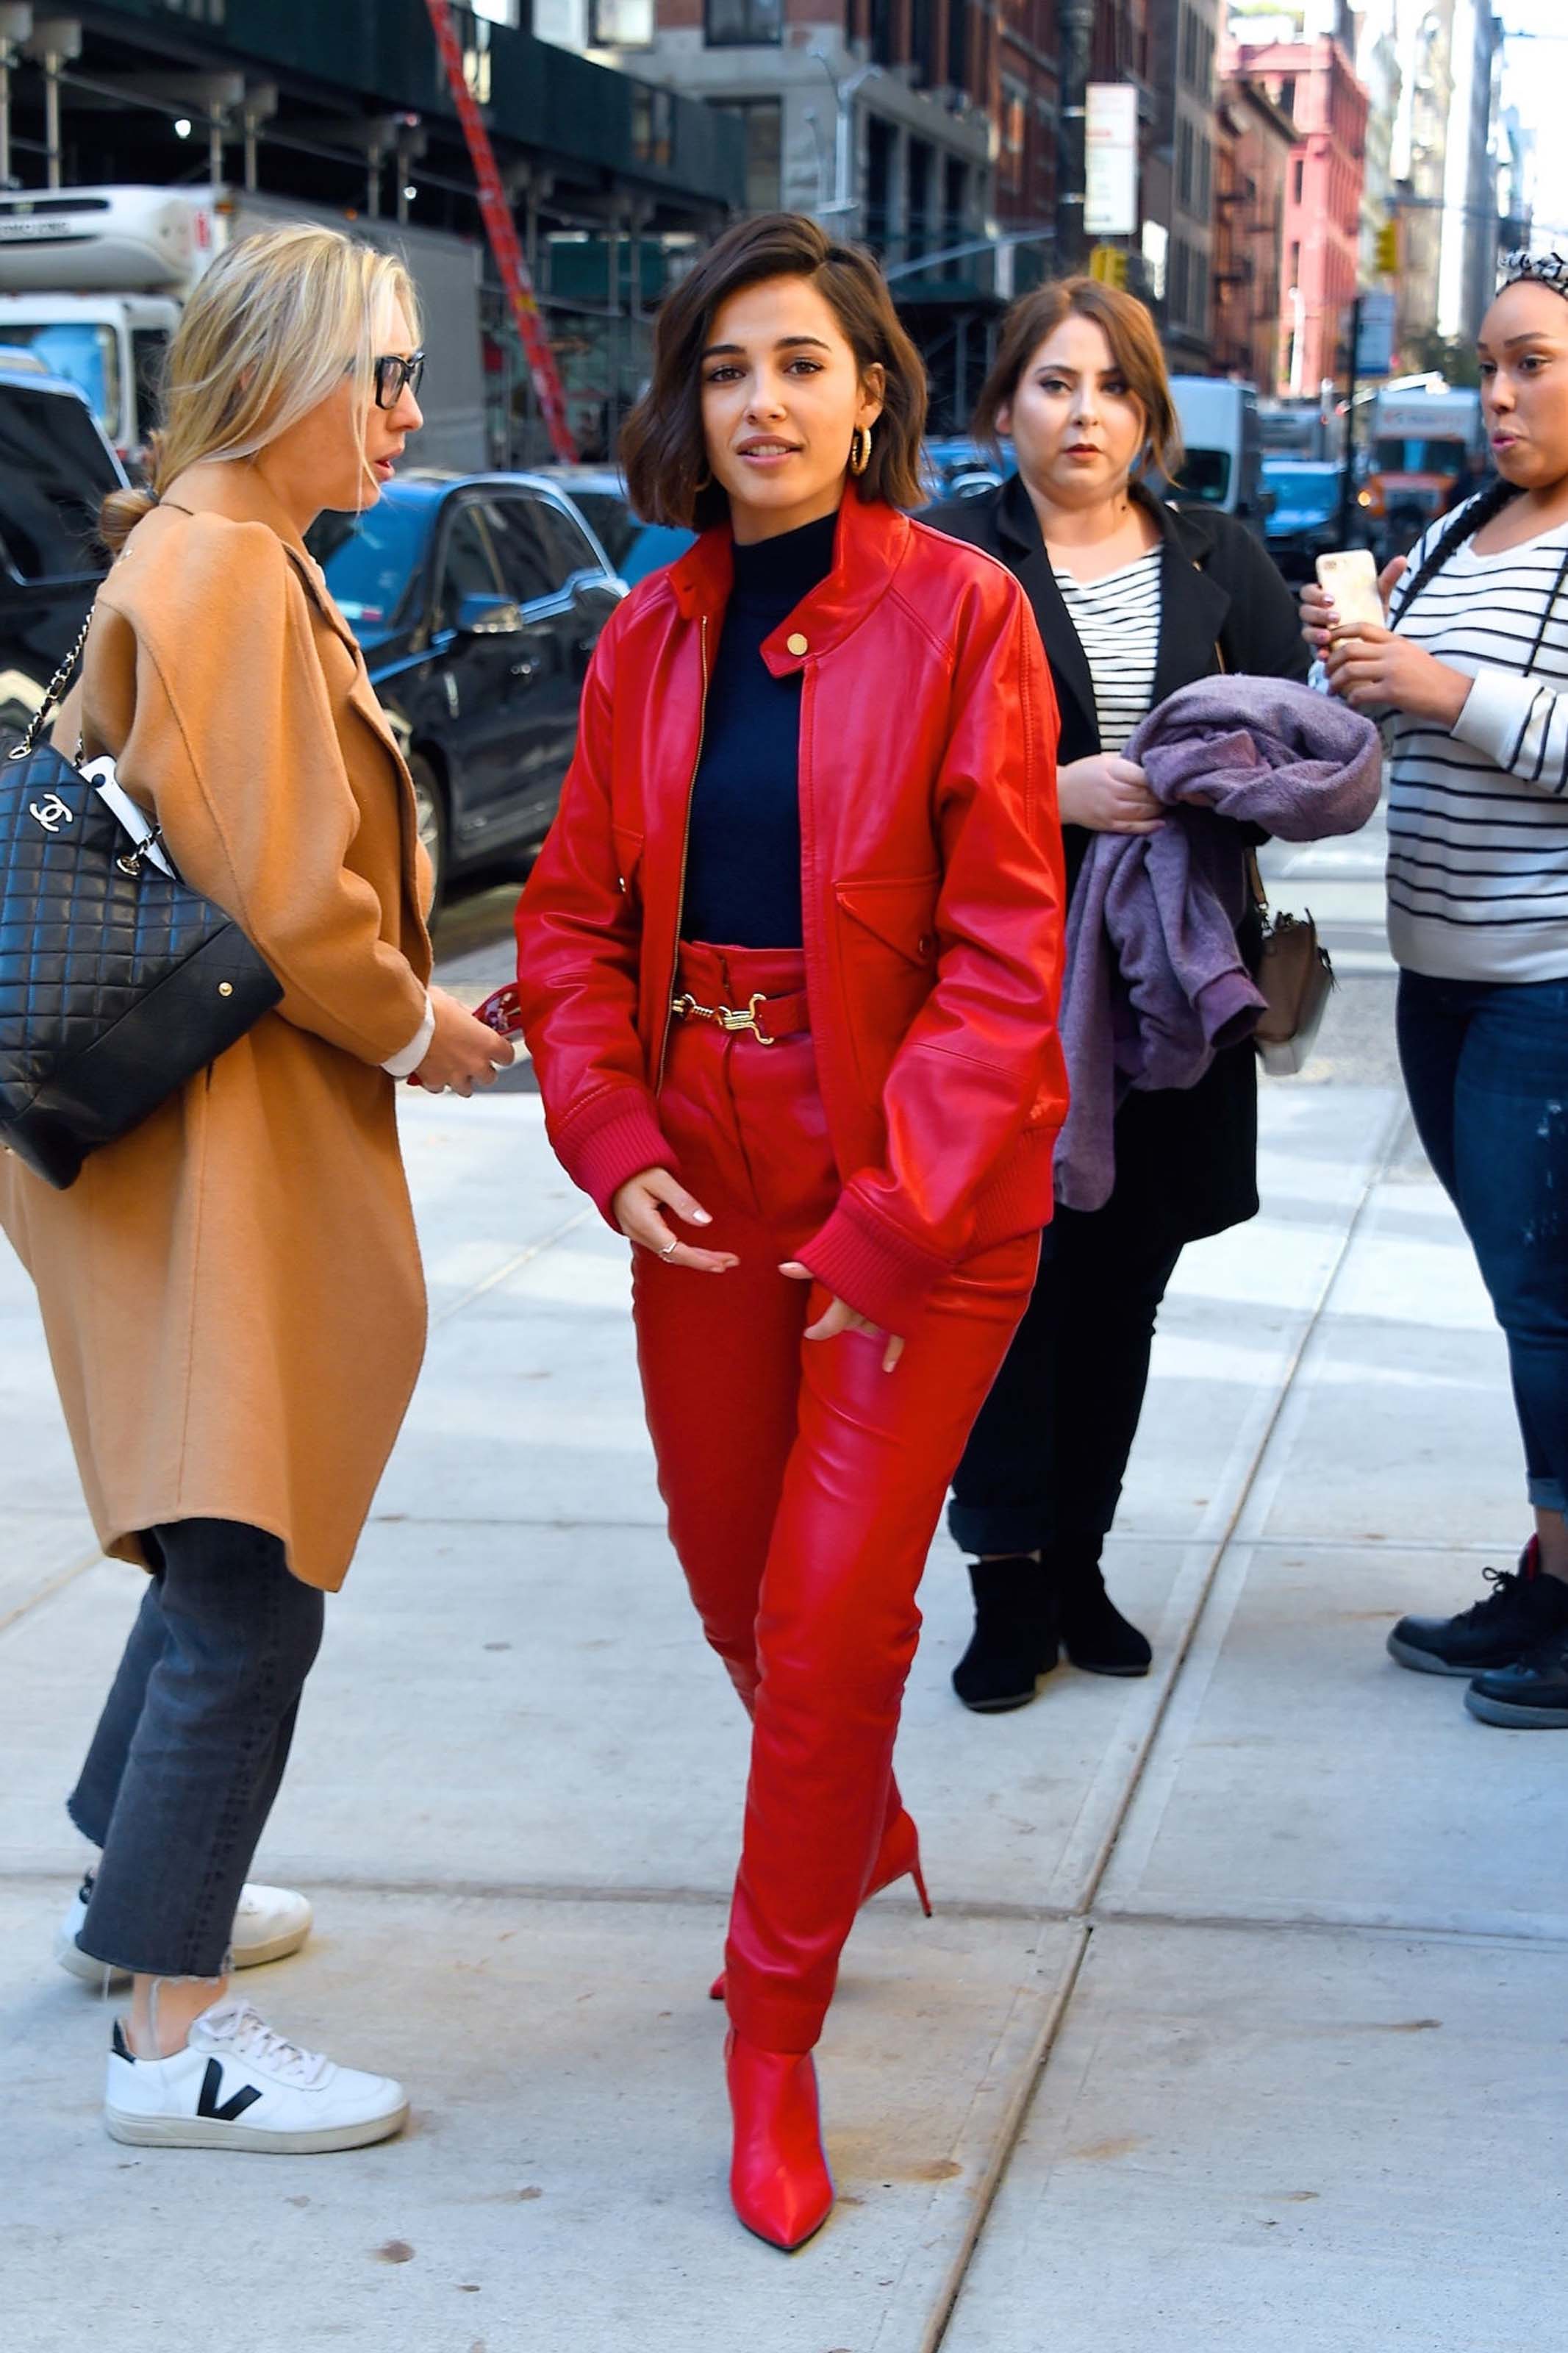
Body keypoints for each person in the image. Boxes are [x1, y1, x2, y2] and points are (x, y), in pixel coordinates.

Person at [514, 213, 1067, 2249]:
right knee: (735, 1591)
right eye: (730, 366)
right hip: (700, 1169)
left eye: (803, 365)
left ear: (867, 399)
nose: (763, 401)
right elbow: (566, 922)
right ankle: (851, 1814)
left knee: (834, 1616)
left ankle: (771, 2031)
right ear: (689, 399)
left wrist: (888, 1223)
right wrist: (600, 1118)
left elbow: (1011, 959)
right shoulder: (643, 633)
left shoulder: (962, 617)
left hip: (914, 1191)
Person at [0, 224, 512, 2151]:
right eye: (372, 375)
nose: (400, 411)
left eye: (405, 375)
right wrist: (421, 1031)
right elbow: (295, 899)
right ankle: (175, 2037)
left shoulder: (224, 552)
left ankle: (130, 1895)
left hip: (198, 1128)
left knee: (221, 1531)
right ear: (278, 372)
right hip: (207, 1138)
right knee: (247, 1573)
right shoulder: (220, 567)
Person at [927, 279, 1309, 1712]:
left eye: (1109, 389)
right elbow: (874, 775)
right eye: (1051, 384)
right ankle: (1001, 1582)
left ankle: (1077, 1565)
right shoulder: (945, 556)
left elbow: (1299, 744)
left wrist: (1213, 777)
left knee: (1118, 1296)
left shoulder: (1221, 557)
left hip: (1167, 993)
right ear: (1004, 404)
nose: (1080, 413)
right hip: (996, 992)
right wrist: (1051, 793)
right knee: (999, 1298)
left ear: (1146, 416)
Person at [1306, 249, 1568, 1730]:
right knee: (1526, 1303)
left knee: (1547, 1309)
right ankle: (1550, 1571)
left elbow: (1483, 712)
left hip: (1546, 984)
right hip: (1440, 981)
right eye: (1485, 365)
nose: (1496, 393)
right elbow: (1401, 707)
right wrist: (1351, 662)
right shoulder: (1468, 525)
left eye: (1528, 360)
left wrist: (1440, 688)